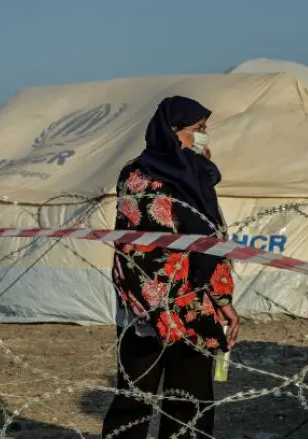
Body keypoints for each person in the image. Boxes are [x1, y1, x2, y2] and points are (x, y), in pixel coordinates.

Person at [102, 96, 240, 439]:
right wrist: (220, 299)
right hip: (170, 305)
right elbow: (206, 239)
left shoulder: (141, 172)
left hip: (159, 302)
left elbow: (207, 241)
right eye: (197, 130)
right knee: (168, 400)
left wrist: (222, 299)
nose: (202, 137)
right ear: (172, 130)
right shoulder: (170, 175)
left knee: (158, 399)